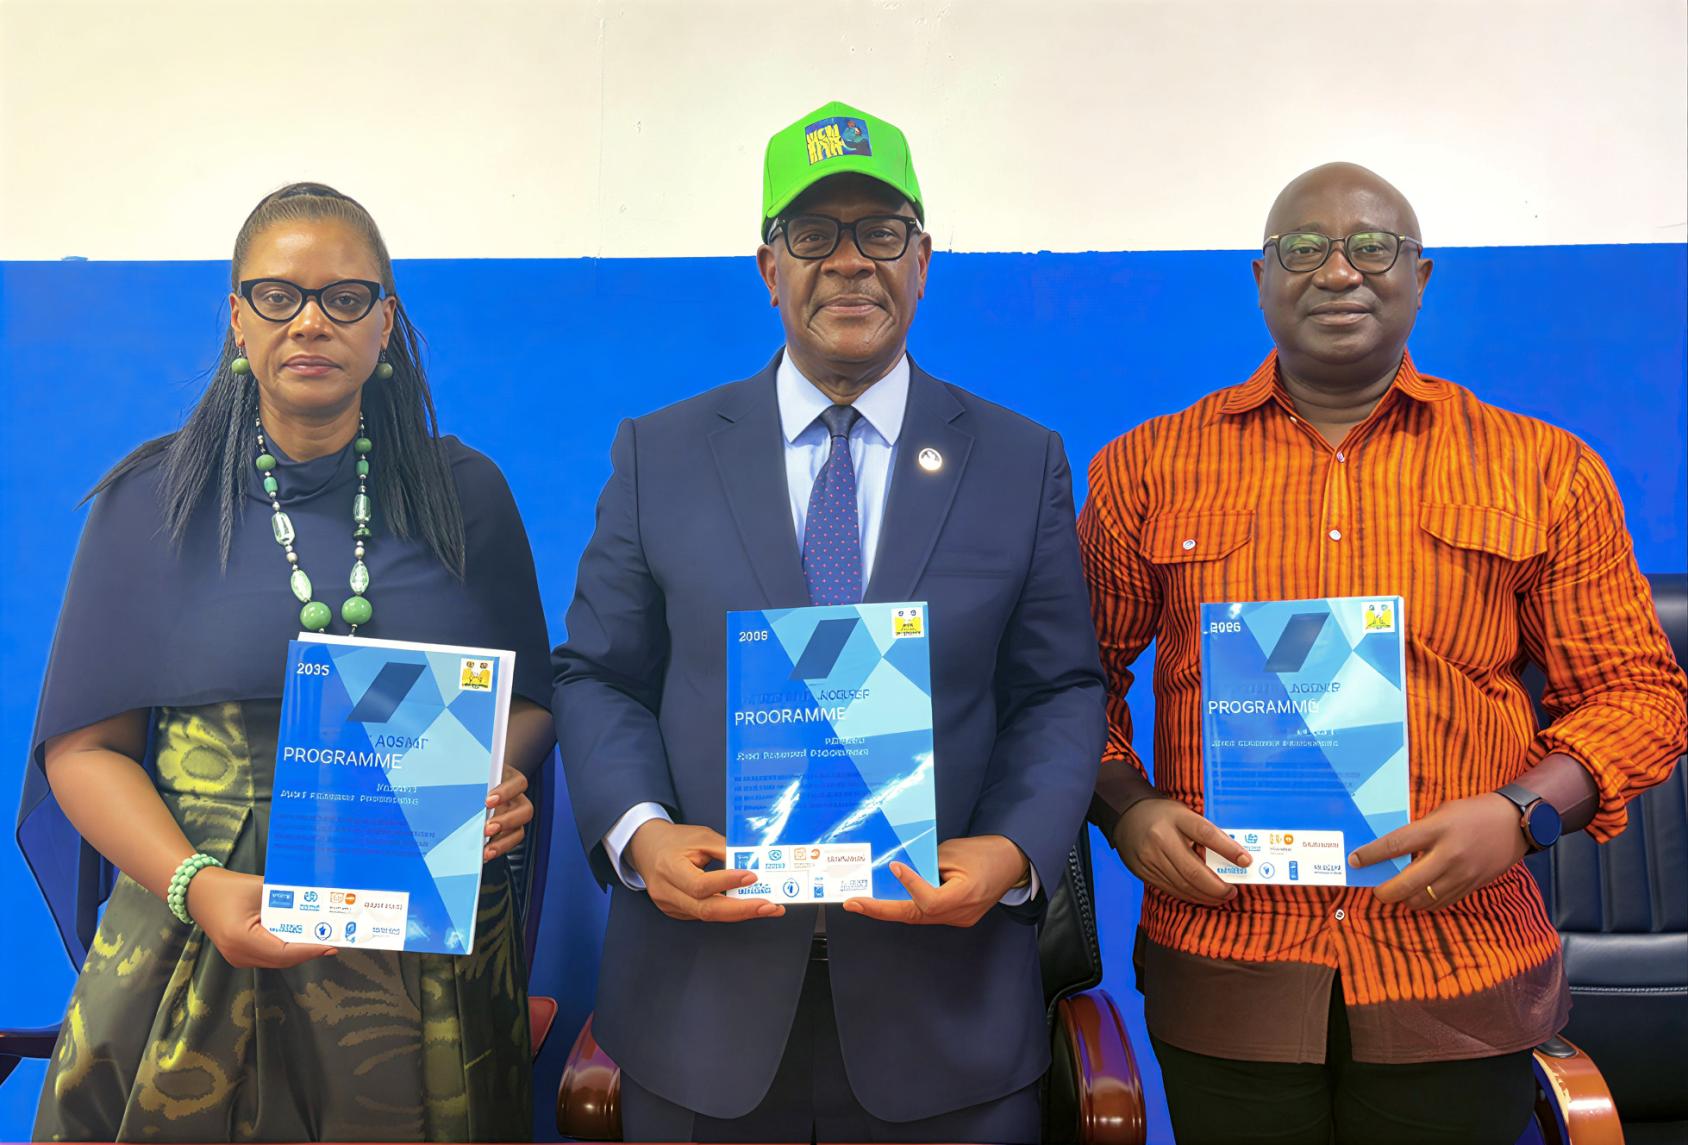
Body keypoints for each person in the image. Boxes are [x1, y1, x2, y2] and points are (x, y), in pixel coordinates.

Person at [1078, 162, 1688, 1145]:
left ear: (1419, 275)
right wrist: (1127, 808)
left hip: (1458, 964)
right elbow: (1072, 683)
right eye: (1302, 248)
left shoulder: (1542, 467)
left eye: (1371, 247)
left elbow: (1637, 692)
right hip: (1226, 960)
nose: (1336, 272)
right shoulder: (1143, 469)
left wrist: (1518, 814)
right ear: (1259, 275)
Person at [553, 101, 1105, 1143]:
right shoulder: (660, 454)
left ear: (923, 260)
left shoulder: (1015, 457)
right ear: (768, 267)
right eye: (814, 235)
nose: (849, 262)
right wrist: (641, 832)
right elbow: (597, 673)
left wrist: (1010, 851)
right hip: (700, 1010)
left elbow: (1058, 687)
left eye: (880, 232)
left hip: (947, 1012)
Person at [15, 183, 556, 1141]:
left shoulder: (465, 494)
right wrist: (198, 887)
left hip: (416, 962)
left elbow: (531, 700)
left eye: (346, 297)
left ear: (385, 323)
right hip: (200, 945)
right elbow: (82, 750)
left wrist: (494, 771)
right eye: (277, 295)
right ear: (236, 318)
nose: (311, 320)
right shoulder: (151, 502)